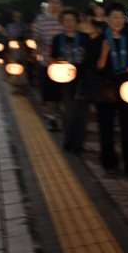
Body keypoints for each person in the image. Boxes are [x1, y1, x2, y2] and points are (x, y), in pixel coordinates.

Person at [96, 2, 128, 176]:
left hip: (126, 86)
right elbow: (97, 68)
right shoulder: (100, 39)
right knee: (106, 127)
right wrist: (104, 53)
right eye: (114, 17)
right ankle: (109, 163)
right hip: (106, 87)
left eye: (120, 17)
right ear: (107, 19)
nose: (117, 21)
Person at [51, 8, 99, 154]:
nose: (69, 23)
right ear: (61, 22)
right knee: (69, 113)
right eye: (65, 20)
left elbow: (91, 58)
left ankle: (78, 144)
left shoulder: (84, 38)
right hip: (65, 81)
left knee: (82, 113)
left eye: (71, 20)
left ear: (77, 22)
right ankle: (68, 141)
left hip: (83, 79)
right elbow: (53, 58)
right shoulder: (57, 39)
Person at [33, 0, 65, 130]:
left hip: (65, 64)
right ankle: (51, 119)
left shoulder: (66, 19)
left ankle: (62, 117)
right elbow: (37, 39)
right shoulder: (41, 20)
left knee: (63, 93)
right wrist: (38, 50)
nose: (54, 5)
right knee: (49, 94)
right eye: (52, 2)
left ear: (61, 5)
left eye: (57, 2)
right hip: (47, 62)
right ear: (48, 4)